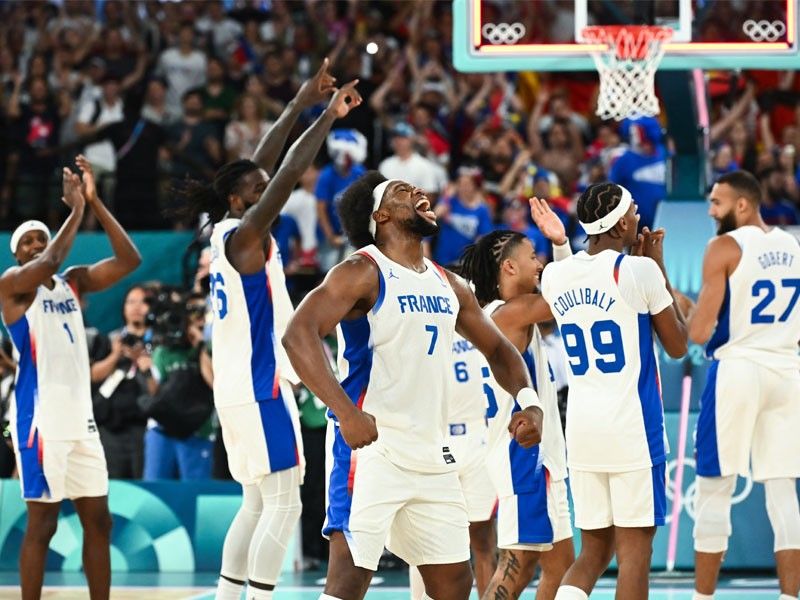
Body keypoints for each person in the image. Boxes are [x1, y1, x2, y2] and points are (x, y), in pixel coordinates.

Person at [282, 172, 544, 600]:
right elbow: (298, 334)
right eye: (404, 192)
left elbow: (499, 350)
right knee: (348, 583)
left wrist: (528, 401)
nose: (419, 193)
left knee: (454, 586)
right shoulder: (361, 271)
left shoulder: (450, 284)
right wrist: (345, 412)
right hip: (371, 450)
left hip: (433, 454)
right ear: (381, 215)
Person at [180, 59, 361, 600]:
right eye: (256, 190)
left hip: (238, 391)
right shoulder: (244, 238)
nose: (267, 192)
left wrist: (295, 103)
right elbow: (279, 178)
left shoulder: (225, 231)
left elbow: (260, 163)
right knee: (285, 503)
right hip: (261, 389)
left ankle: (228, 596)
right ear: (241, 200)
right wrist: (325, 117)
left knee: (257, 503)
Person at [1, 156, 141, 600]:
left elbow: (129, 259)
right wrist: (75, 210)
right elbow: (51, 259)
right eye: (29, 243)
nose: (38, 246)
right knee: (41, 525)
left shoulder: (72, 282)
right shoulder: (12, 285)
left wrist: (95, 203)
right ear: (17, 253)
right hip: (40, 421)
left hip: (82, 421)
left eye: (42, 238)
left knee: (100, 521)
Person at [540, 182, 688, 600]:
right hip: (632, 431)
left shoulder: (555, 273)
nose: (639, 218)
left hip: (583, 430)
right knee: (634, 555)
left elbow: (575, 276)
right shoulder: (636, 270)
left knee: (593, 552)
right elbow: (678, 345)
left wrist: (559, 244)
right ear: (622, 222)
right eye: (635, 212)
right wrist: (657, 266)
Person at [687, 170, 800, 600]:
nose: (711, 211)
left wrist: (684, 309)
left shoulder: (723, 247)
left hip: (738, 369)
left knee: (715, 486)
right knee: (783, 492)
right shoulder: (792, 245)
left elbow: (698, 333)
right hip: (787, 370)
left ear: (742, 205)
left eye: (717, 203)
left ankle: (703, 598)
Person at [459, 207, 574, 600]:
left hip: (533, 454)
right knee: (519, 568)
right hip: (523, 455)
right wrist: (561, 244)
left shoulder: (500, 314)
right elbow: (571, 300)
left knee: (561, 567)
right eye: (532, 257)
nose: (539, 264)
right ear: (509, 267)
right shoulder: (510, 313)